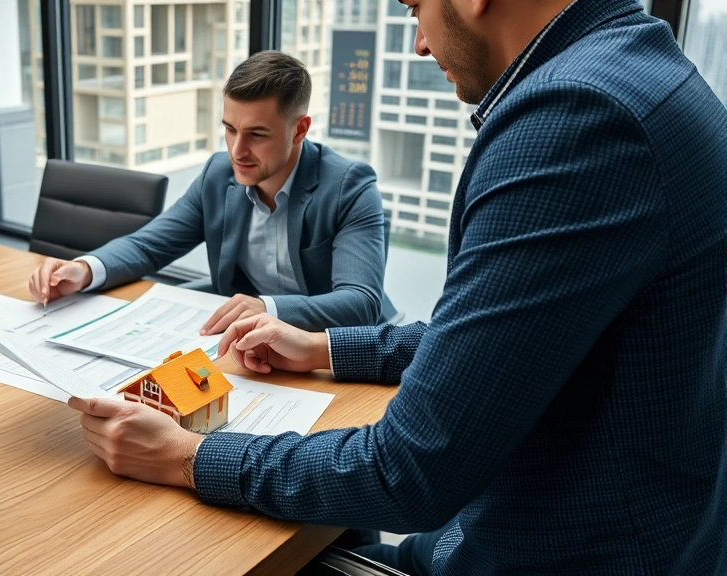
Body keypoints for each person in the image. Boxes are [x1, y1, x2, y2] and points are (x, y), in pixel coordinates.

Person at [66, 0, 727, 573]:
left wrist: (188, 456)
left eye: (415, 8)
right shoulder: (643, 74)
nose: (417, 41)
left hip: (548, 552)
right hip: (602, 528)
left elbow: (410, 470)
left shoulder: (574, 120)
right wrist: (324, 349)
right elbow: (499, 340)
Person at [28, 51, 390, 333]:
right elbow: (148, 245)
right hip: (249, 344)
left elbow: (360, 303)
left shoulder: (350, 187)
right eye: (230, 129)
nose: (237, 150)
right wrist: (83, 270)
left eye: (257, 134)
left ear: (300, 129)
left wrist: (267, 308)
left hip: (322, 348)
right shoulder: (219, 174)